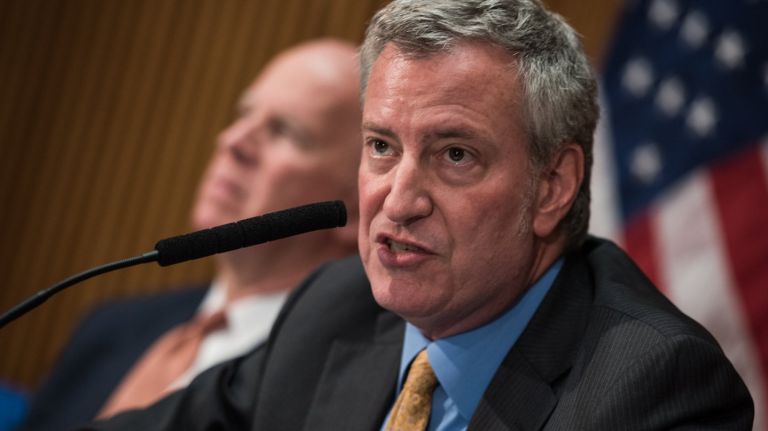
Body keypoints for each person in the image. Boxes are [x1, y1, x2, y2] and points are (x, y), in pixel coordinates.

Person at [77, 0, 754, 430]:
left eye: (454, 154)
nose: (398, 200)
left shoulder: (655, 391)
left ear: (553, 185)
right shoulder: (336, 307)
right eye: (380, 147)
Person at [20, 38, 362, 431]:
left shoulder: (334, 383)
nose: (232, 141)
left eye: (284, 131)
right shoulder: (109, 327)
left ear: (354, 205)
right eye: (244, 113)